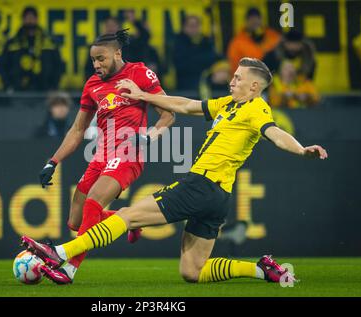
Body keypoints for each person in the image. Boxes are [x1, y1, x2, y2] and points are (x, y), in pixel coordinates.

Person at [22, 57, 327, 285]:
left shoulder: (256, 108)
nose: (231, 81)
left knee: (127, 216)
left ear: (254, 86)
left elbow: (273, 132)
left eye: (237, 78)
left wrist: (301, 149)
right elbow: (187, 105)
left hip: (201, 185)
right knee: (192, 271)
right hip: (218, 197)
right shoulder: (228, 105)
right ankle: (261, 269)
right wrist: (144, 96)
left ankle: (60, 254)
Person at [35, 29, 174, 284]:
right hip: (101, 155)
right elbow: (77, 130)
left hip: (128, 153)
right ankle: (128, 221)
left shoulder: (140, 74)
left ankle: (68, 269)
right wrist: (52, 161)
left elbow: (169, 114)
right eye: (93, 60)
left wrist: (148, 137)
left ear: (117, 53)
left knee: (94, 202)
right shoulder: (92, 85)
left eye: (101, 59)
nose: (96, 65)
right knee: (76, 221)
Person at [0, 6, 65, 92]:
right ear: (22, 19)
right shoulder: (12, 43)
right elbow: (2, 66)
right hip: (18, 90)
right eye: (27, 18)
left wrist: (53, 86)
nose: (30, 21)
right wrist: (8, 86)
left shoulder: (49, 42)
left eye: (32, 17)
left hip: (44, 90)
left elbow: (58, 65)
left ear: (37, 19)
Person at [173, 15, 219, 91]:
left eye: (196, 25)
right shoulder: (178, 43)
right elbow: (182, 65)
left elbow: (215, 58)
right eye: (191, 26)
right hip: (186, 87)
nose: (194, 29)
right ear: (184, 27)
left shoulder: (206, 41)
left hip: (207, 84)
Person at [227, 8, 280, 74]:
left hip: (274, 77)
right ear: (246, 21)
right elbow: (234, 65)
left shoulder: (272, 36)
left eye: (257, 19)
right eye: (251, 19)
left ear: (261, 20)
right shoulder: (237, 42)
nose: (254, 22)